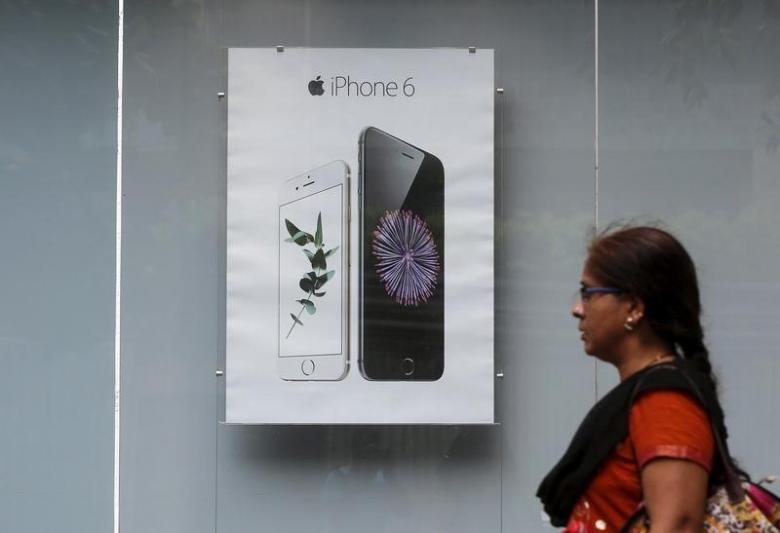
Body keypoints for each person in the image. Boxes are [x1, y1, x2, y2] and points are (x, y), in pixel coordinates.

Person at [537, 225, 730, 532]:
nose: (577, 309)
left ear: (634, 308)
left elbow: (677, 524)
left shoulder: (666, 403)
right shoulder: (648, 394)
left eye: (588, 294)